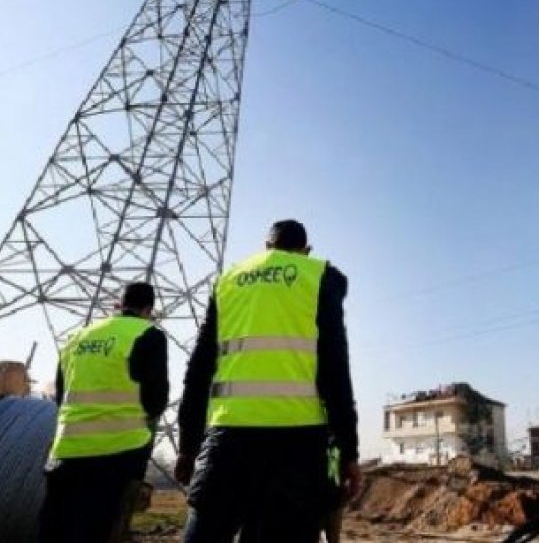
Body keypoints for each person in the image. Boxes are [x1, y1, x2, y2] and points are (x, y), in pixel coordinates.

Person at [175, 219, 360, 543]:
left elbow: (199, 369)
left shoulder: (229, 280)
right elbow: (335, 370)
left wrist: (189, 446)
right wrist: (349, 452)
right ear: (306, 251)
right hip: (298, 446)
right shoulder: (318, 275)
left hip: (227, 439)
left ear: (266, 247)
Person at [39, 282, 169, 543]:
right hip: (120, 452)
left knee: (55, 530)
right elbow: (155, 399)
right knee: (101, 530)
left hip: (67, 450)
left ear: (117, 306)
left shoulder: (78, 337)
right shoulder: (148, 334)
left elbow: (61, 393)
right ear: (148, 310)